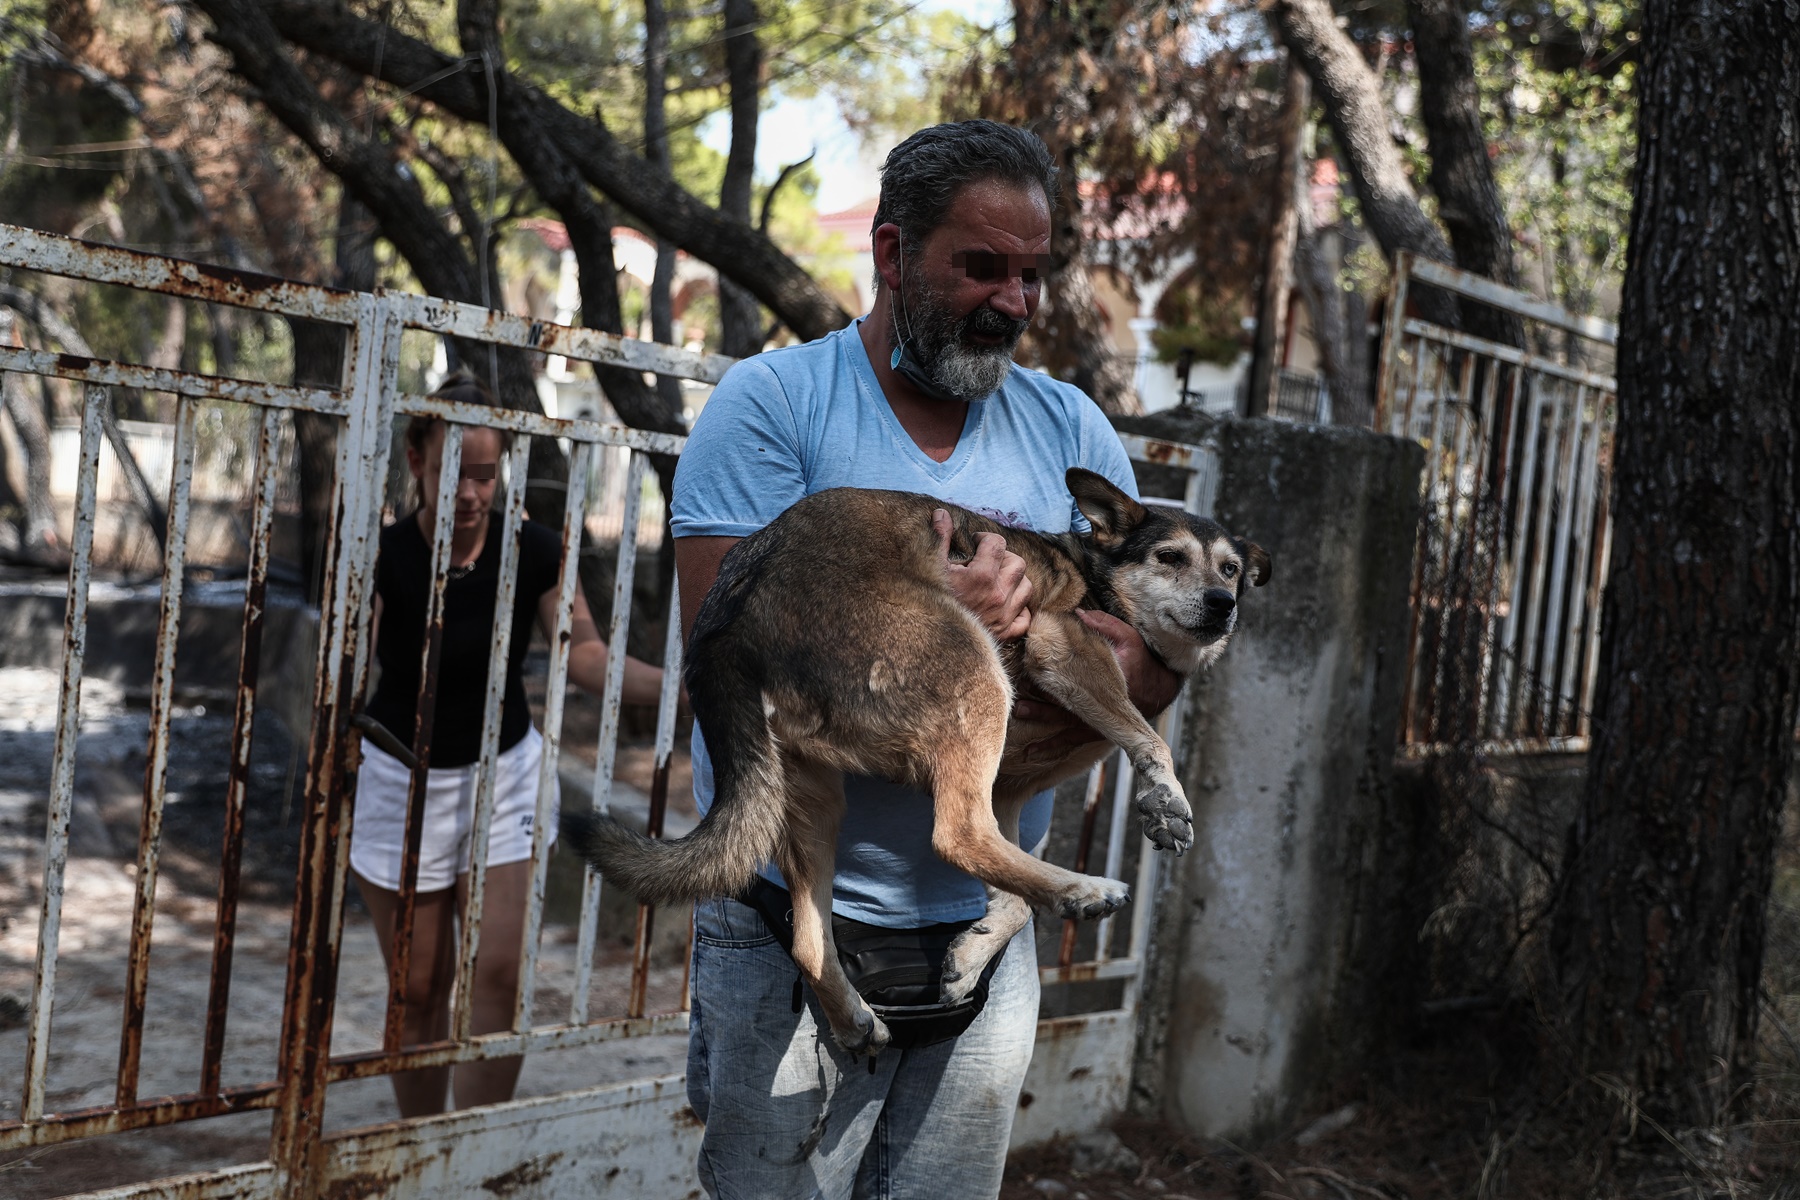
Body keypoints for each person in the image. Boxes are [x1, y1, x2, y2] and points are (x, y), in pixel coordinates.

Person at [670, 121, 1181, 1198]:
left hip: (981, 945)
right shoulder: (774, 409)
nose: (1014, 301)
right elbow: (728, 658)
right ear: (893, 255)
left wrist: (1036, 646)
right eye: (981, 267)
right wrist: (949, 629)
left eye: (1032, 275)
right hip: (787, 925)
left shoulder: (1069, 430)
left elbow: (1134, 670)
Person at [351, 372, 668, 1117]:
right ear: (418, 459)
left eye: (485, 473)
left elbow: (585, 657)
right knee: (419, 985)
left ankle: (477, 1155)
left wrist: (690, 682)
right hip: (402, 778)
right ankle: (423, 1148)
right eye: (455, 469)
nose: (469, 491)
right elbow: (343, 666)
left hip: (505, 775)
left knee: (498, 975)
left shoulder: (533, 548)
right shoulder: (384, 552)